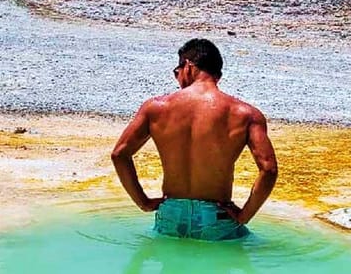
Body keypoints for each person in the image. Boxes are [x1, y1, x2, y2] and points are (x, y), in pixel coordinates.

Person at [111, 38, 278, 241]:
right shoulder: (245, 114)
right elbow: (268, 169)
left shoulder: (156, 108)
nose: (177, 79)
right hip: (216, 218)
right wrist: (245, 215)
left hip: (170, 216)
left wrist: (143, 202)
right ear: (218, 76)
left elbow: (120, 154)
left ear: (188, 66)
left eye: (177, 72)